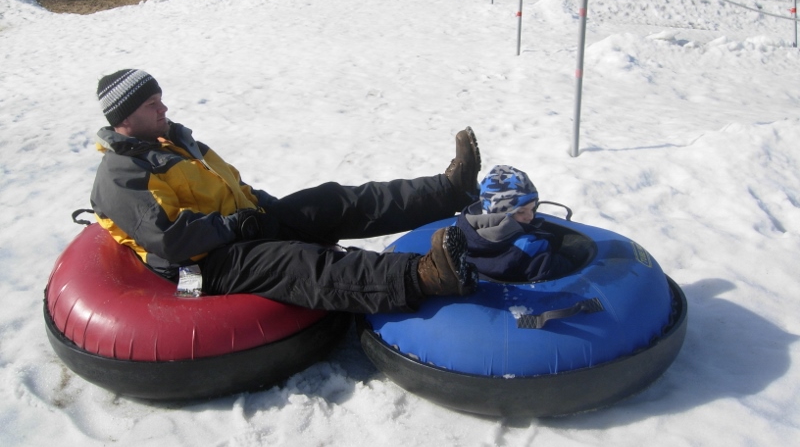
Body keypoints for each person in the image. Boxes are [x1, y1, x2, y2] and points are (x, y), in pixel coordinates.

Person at [90, 68, 481, 314]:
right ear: (124, 117)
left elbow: (230, 186)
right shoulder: (122, 176)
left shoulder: (173, 141)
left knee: (329, 201)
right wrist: (234, 227)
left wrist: (273, 212)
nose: (164, 109)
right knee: (298, 262)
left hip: (241, 226)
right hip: (202, 263)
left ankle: (449, 191)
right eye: (153, 104)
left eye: (161, 100)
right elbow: (172, 240)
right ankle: (427, 276)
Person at [455, 165, 576, 282]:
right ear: (499, 213)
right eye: (521, 211)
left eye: (533, 208)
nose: (530, 216)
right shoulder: (527, 248)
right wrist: (572, 252)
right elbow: (556, 269)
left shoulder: (459, 229)